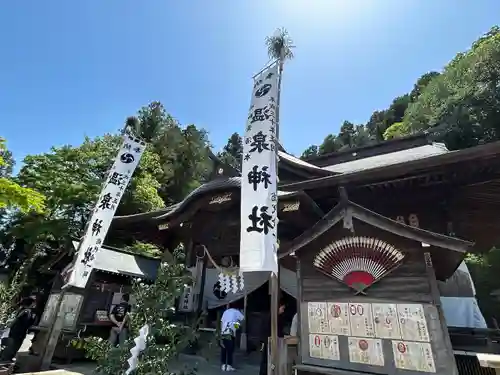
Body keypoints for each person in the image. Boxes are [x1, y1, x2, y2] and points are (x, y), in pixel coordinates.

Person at [0, 297, 37, 362]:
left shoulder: (21, 310)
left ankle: (6, 359)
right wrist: (33, 319)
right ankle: (6, 360)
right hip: (19, 333)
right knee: (14, 346)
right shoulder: (27, 312)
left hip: (14, 331)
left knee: (11, 346)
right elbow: (26, 323)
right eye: (34, 303)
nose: (35, 304)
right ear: (31, 303)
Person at [259, 300, 286, 375]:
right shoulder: (273, 317)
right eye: (282, 309)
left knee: (266, 360)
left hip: (267, 339)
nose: (283, 311)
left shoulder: (270, 315)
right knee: (269, 360)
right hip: (270, 340)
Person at [220, 303, 244, 372]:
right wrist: (237, 326)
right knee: (230, 349)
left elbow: (222, 322)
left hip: (224, 332)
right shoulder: (237, 312)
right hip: (230, 332)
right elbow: (242, 320)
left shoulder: (226, 312)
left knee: (224, 349)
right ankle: (229, 365)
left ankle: (223, 364)